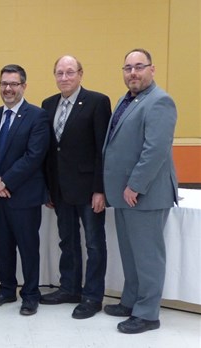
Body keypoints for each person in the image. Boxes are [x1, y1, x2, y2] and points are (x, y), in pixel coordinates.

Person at [102, 48, 178, 334]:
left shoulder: (160, 102)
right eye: (127, 68)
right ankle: (131, 301)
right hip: (124, 194)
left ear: (152, 69)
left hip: (144, 194)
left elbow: (155, 150)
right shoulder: (127, 99)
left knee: (147, 256)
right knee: (131, 254)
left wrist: (135, 185)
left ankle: (147, 314)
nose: (133, 73)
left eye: (139, 67)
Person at [40, 55, 112, 319]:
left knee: (94, 243)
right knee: (67, 240)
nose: (64, 78)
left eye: (70, 72)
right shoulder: (48, 104)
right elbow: (50, 151)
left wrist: (100, 189)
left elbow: (103, 150)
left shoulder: (97, 102)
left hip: (88, 189)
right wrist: (48, 188)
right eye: (59, 73)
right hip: (60, 190)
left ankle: (92, 296)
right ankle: (69, 288)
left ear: (80, 74)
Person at [0, 64, 49, 316]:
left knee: (28, 247)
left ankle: (30, 294)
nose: (8, 88)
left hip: (24, 196)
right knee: (2, 246)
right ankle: (6, 289)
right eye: (4, 84)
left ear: (24, 86)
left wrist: (4, 182)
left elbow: (34, 156)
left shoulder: (37, 116)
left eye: (13, 84)